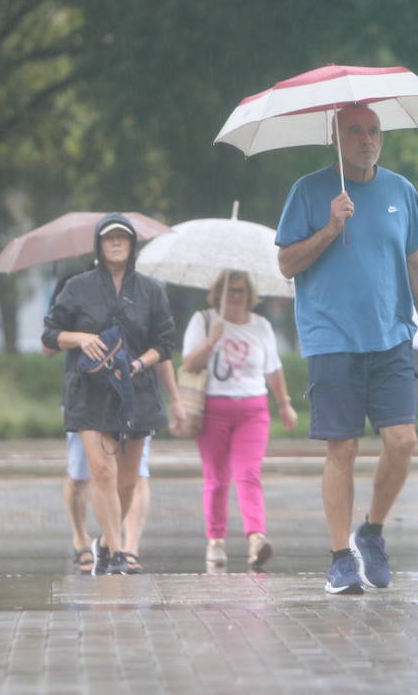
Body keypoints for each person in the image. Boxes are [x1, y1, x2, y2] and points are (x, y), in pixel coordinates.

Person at [275, 103, 418, 595]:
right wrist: (329, 228)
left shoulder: (401, 190)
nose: (366, 139)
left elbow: (415, 264)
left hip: (391, 334)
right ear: (336, 138)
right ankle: (338, 559)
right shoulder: (307, 191)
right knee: (342, 448)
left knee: (403, 441)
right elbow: (286, 264)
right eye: (355, 132)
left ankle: (370, 531)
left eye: (373, 131)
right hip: (332, 337)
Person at [42, 214, 180, 575]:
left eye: (123, 237)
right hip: (89, 390)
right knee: (101, 471)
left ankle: (104, 541)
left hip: (137, 390)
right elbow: (49, 335)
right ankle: (117, 551)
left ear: (133, 244)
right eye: (109, 238)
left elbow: (164, 344)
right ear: (99, 246)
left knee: (128, 481)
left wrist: (139, 364)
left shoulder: (151, 290)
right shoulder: (76, 286)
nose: (116, 243)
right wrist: (81, 338)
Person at [181, 270, 298, 571]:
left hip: (253, 409)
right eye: (230, 290)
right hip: (212, 410)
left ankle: (256, 538)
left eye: (242, 291)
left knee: (248, 473)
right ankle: (215, 540)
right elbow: (189, 365)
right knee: (216, 478)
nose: (236, 296)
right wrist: (210, 342)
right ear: (218, 293)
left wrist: (284, 404)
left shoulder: (261, 326)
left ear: (250, 295)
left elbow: (273, 369)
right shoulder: (204, 320)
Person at [65, 432, 155, 574]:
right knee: (81, 475)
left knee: (137, 476)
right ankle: (82, 539)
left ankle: (125, 547)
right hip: (87, 413)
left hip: (132, 412)